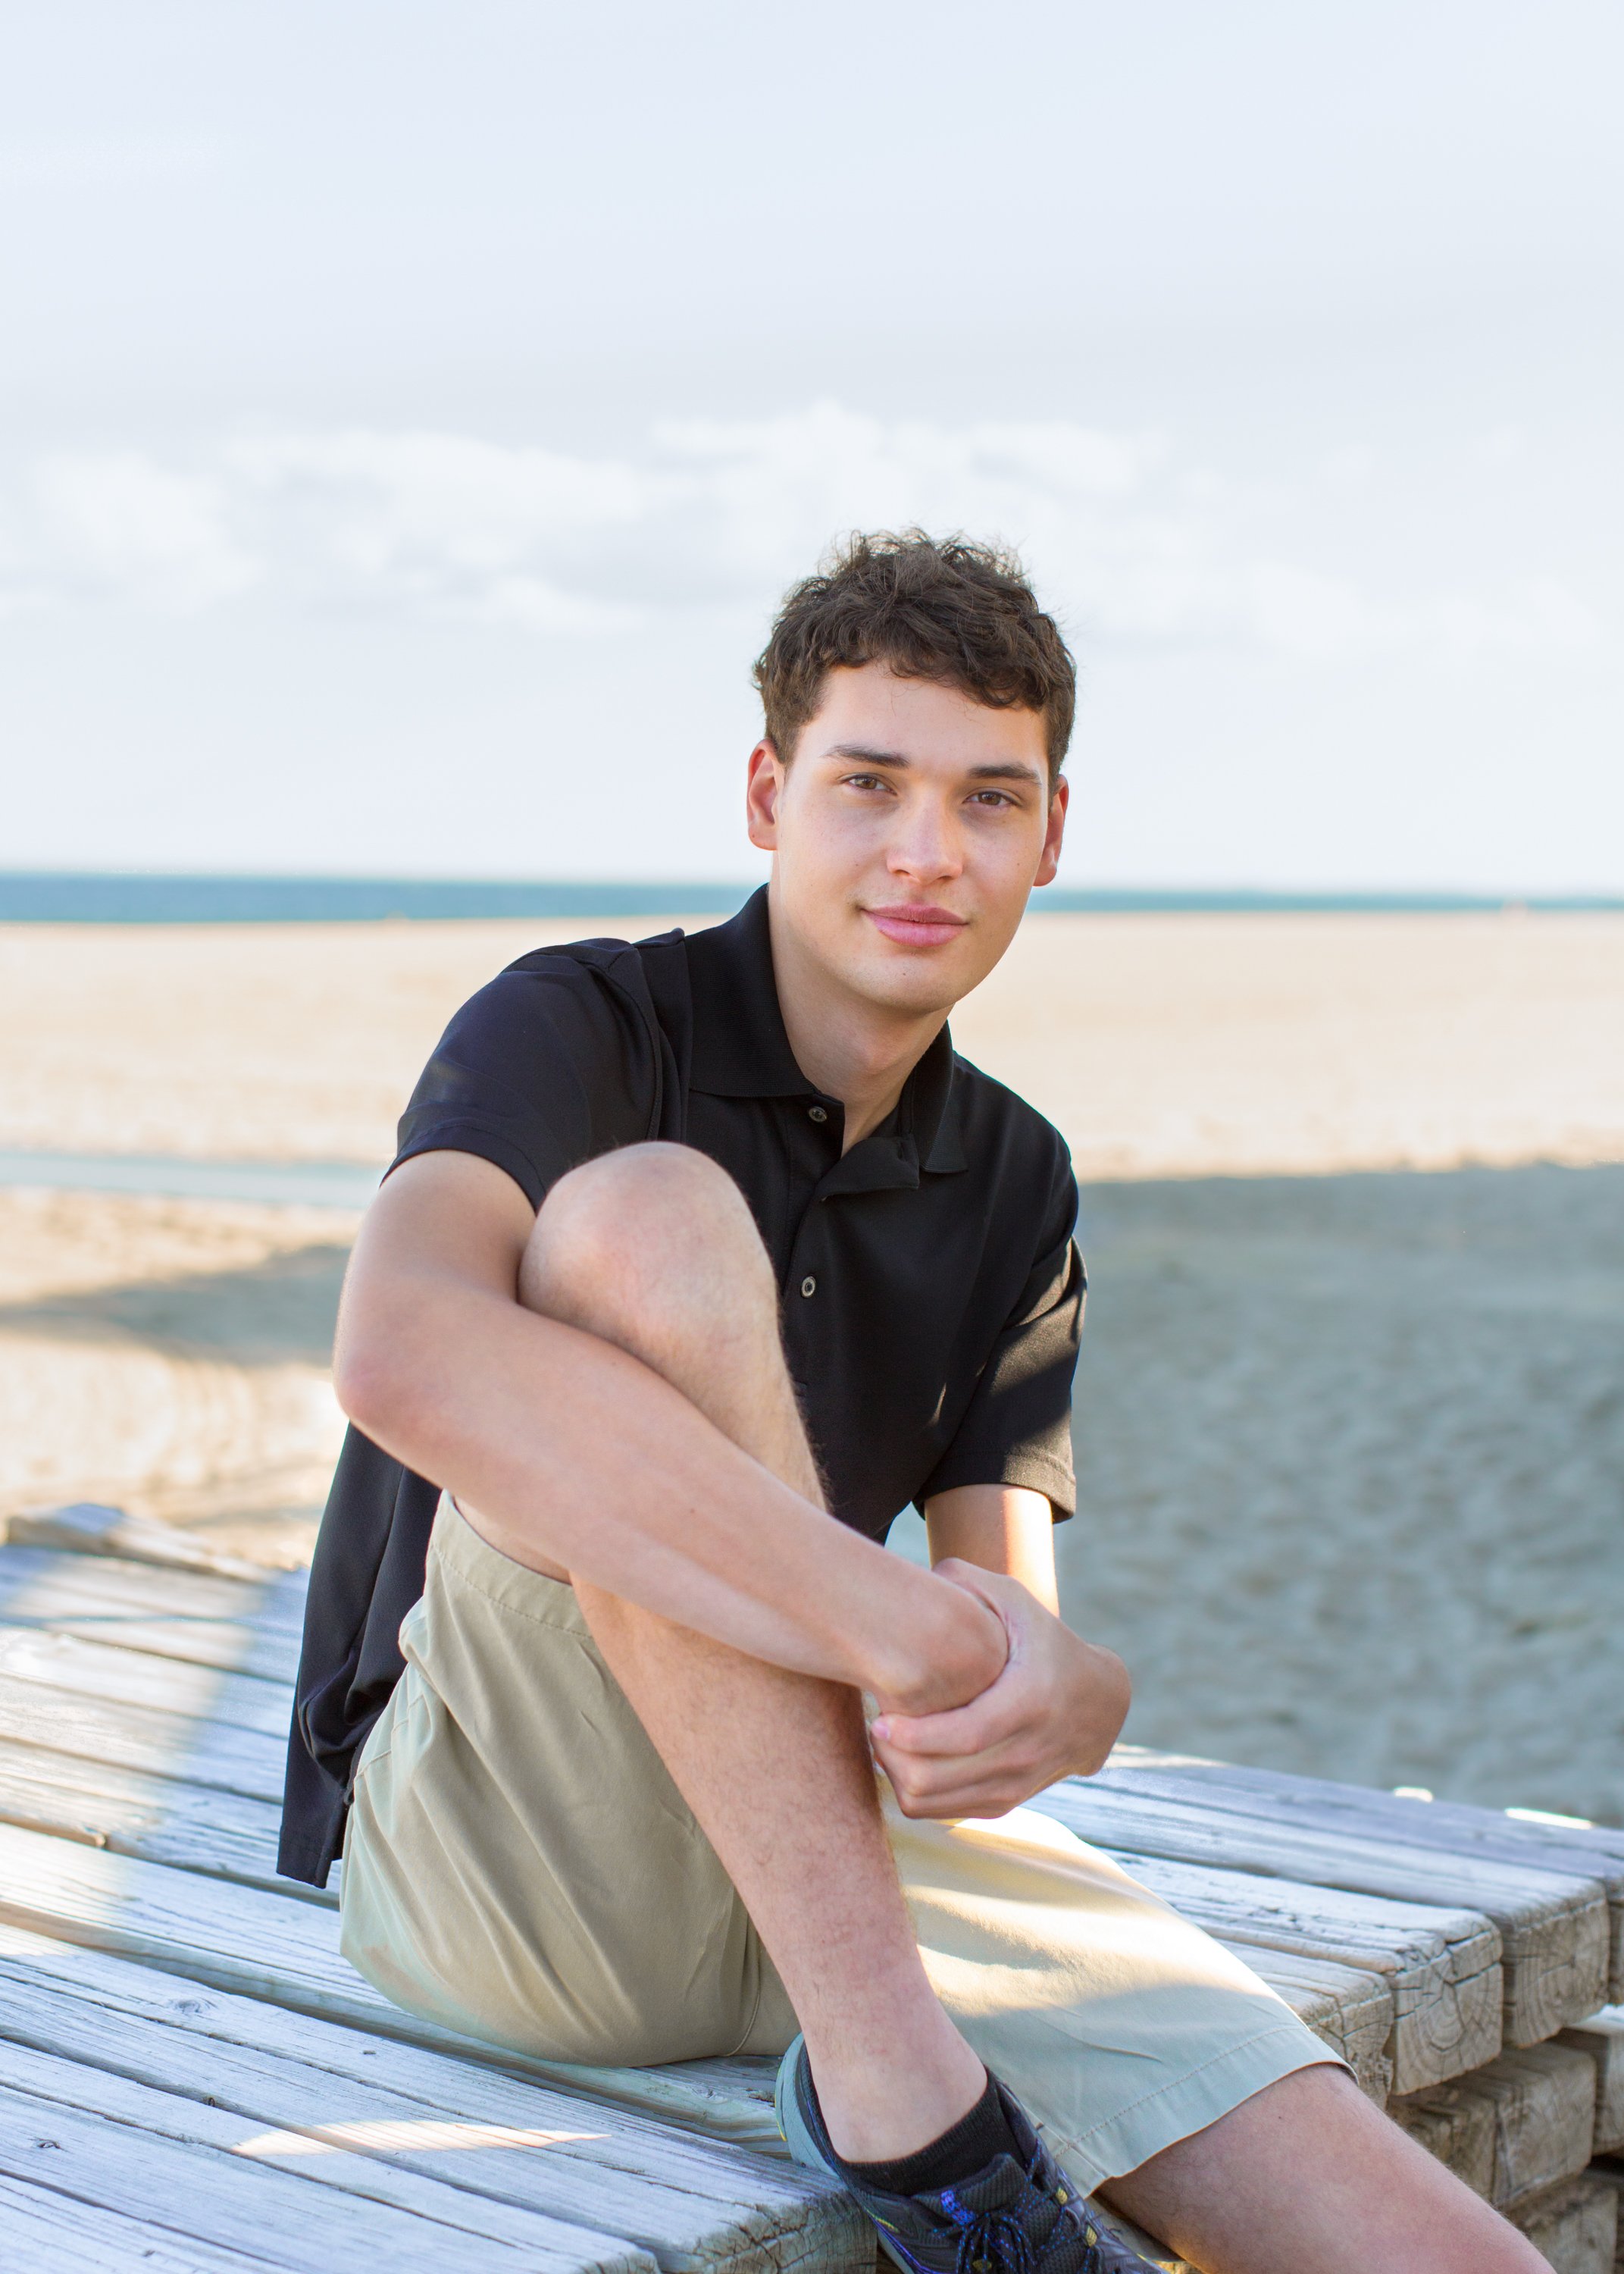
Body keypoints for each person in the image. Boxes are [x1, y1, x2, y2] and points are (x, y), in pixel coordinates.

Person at [281, 534, 1543, 2274]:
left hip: (822, 1851)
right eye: (867, 783)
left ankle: (906, 2068)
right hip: (504, 1860)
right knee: (640, 1223)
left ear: (1051, 833)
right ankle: (918, 2132)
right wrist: (898, 1625)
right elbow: (402, 1353)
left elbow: (997, 1642)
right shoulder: (578, 1023)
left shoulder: (1014, 1173)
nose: (926, 853)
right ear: (766, 793)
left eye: (988, 799)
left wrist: (1061, 1692)